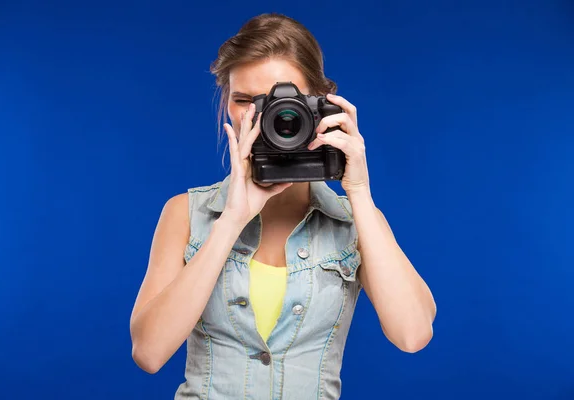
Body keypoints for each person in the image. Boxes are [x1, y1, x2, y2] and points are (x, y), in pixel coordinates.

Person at [129, 13, 436, 400]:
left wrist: (357, 190)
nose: (261, 118)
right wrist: (232, 219)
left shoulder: (355, 221)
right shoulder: (185, 213)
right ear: (226, 105)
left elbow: (413, 334)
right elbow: (149, 353)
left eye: (281, 103)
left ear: (319, 105)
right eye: (245, 100)